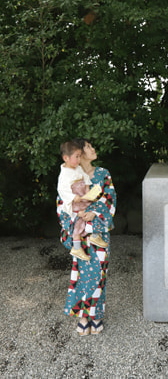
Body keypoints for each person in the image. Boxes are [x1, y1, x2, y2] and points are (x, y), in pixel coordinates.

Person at [57, 138, 116, 336]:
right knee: (80, 275)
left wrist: (96, 214)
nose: (93, 149)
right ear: (79, 154)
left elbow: (110, 199)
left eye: (92, 146)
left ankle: (96, 315)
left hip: (98, 231)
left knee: (99, 273)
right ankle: (83, 316)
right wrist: (78, 219)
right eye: (88, 147)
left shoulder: (102, 174)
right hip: (80, 233)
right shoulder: (69, 176)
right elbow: (62, 202)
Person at [57, 141, 108, 262]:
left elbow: (86, 180)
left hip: (85, 201)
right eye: (77, 156)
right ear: (66, 158)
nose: (79, 159)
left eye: (79, 156)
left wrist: (87, 190)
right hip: (76, 205)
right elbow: (62, 193)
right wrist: (74, 201)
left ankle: (96, 235)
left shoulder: (101, 173)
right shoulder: (64, 173)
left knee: (94, 211)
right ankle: (77, 247)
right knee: (78, 224)